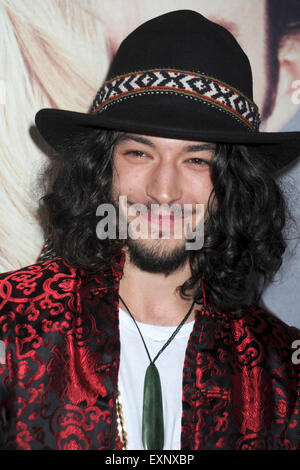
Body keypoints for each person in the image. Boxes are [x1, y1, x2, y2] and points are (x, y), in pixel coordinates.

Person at [0, 9, 300, 451]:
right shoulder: (11, 326)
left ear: (235, 183)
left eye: (197, 160)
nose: (164, 191)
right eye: (140, 153)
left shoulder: (282, 369)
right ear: (102, 168)